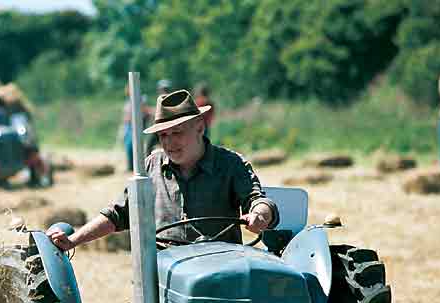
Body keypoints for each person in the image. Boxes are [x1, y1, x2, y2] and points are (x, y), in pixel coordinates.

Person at [49, 89, 277, 251]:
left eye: (177, 132)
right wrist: (73, 240)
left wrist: (259, 216)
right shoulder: (151, 166)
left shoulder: (230, 164)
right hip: (165, 270)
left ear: (200, 127)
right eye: (163, 135)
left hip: (220, 266)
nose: (169, 143)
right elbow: (120, 214)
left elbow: (258, 201)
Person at [120, 85, 152, 171]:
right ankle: (130, 166)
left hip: (136, 125)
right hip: (128, 126)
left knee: (134, 146)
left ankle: (136, 166)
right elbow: (126, 115)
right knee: (128, 146)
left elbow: (145, 111)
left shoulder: (141, 99)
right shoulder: (128, 102)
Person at [146, 79, 174, 155]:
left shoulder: (167, 98)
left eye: (166, 89)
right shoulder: (161, 98)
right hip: (158, 127)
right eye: (163, 89)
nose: (164, 91)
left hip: (166, 127)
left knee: (150, 145)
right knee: (149, 145)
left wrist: (149, 110)